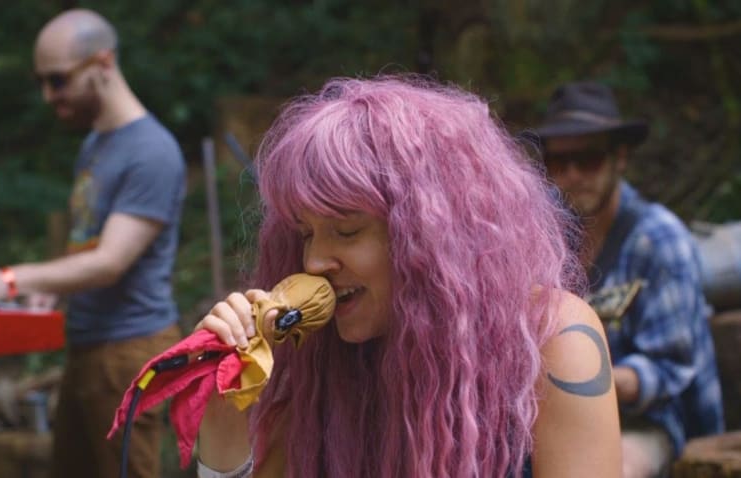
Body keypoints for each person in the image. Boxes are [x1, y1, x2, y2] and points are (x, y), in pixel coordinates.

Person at [189, 77, 621, 477]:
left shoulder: (555, 336)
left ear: (431, 234)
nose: (316, 261)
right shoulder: (320, 359)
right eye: (306, 234)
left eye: (347, 230)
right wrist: (225, 417)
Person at [0, 9, 186, 478]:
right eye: (42, 82)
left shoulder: (152, 151)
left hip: (130, 351)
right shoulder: (95, 145)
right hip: (86, 348)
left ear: (102, 63)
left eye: (58, 80)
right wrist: (56, 286)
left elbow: (111, 262)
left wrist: (6, 279)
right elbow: (89, 245)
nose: (49, 96)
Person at [529, 81, 724, 477]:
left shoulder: (659, 241)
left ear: (620, 158)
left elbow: (668, 371)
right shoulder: (541, 239)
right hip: (552, 413)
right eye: (558, 163)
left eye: (588, 160)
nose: (572, 175)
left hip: (654, 422)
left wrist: (570, 375)